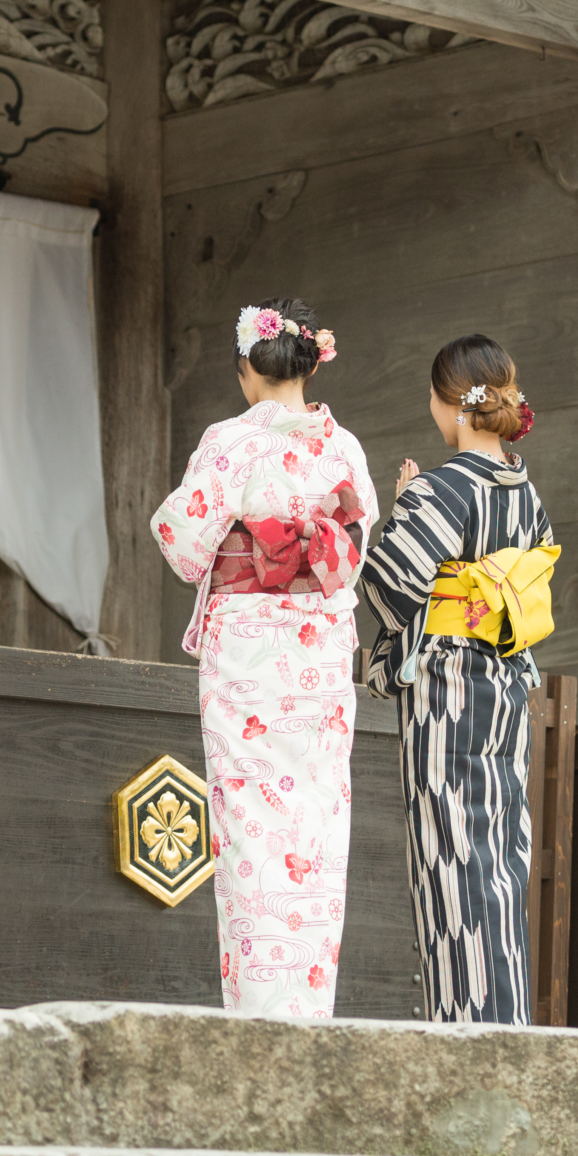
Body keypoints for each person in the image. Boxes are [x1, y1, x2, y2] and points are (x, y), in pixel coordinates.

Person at [151, 299, 378, 1017]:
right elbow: (356, 547)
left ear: (247, 369)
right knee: (316, 830)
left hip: (250, 654)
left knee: (252, 831)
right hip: (319, 654)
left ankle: (257, 1019)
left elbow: (185, 544)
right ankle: (308, 1013)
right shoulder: (344, 448)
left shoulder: (229, 441)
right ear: (311, 363)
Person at [361, 334, 554, 1026]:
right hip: (504, 690)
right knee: (500, 856)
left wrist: (404, 505)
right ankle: (510, 1019)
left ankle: (469, 1025)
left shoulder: (444, 488)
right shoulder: (524, 491)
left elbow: (387, 587)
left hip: (446, 694)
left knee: (451, 857)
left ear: (453, 407)